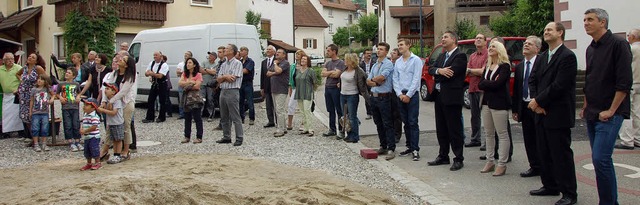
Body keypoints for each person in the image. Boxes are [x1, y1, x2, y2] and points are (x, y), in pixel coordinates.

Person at [582, 8, 632, 205]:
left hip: (610, 113)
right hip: (593, 112)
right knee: (599, 161)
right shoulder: (590, 48)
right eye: (584, 19)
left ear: (602, 22)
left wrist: (611, 110)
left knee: (601, 159)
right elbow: (590, 79)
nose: (585, 23)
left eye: (590, 19)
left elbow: (624, 82)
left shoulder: (619, 44)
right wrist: (586, 105)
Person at [527, 22, 578, 205]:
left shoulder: (568, 56)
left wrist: (539, 101)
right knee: (544, 151)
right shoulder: (541, 58)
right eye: (545, 29)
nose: (545, 32)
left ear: (560, 33)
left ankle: (569, 193)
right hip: (540, 113)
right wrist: (536, 103)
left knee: (561, 155)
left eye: (549, 29)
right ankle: (549, 185)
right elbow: (532, 80)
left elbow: (560, 85)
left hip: (558, 113)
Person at [427, 32, 468, 170]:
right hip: (439, 96)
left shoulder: (460, 56)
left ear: (454, 40)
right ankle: (443, 155)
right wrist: (439, 71)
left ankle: (458, 158)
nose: (442, 39)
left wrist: (439, 74)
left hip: (452, 97)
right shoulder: (442, 55)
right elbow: (431, 69)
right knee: (441, 128)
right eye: (442, 37)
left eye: (445, 37)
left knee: (454, 129)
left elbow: (453, 73)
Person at [477, 41, 511, 176]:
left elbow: (499, 84)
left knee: (502, 134)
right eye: (489, 46)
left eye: (493, 47)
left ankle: (502, 163)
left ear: (500, 50)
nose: (490, 48)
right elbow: (480, 84)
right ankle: (489, 160)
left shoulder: (505, 66)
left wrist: (487, 83)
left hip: (499, 103)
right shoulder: (488, 65)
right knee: (488, 133)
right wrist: (489, 83)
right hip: (486, 103)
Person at [512, 36, 542, 177]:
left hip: (538, 105)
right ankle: (534, 166)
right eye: (525, 44)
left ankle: (544, 166)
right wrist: (515, 109)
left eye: (529, 44)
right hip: (524, 105)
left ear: (537, 48)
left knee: (540, 138)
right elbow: (517, 89)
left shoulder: (542, 62)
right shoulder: (520, 66)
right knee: (528, 138)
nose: (526, 45)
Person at [100, 53, 137, 160]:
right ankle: (105, 150)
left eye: (123, 60)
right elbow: (106, 87)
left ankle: (126, 150)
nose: (120, 60)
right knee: (110, 126)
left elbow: (123, 92)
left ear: (126, 65)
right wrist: (104, 100)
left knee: (125, 127)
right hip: (114, 103)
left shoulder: (130, 77)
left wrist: (111, 100)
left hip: (126, 104)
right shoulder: (114, 74)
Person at [393, 39, 424, 161]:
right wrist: (400, 94)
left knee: (412, 122)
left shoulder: (416, 60)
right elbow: (395, 78)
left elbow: (416, 78)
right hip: (401, 94)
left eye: (401, 45)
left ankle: (415, 148)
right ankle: (409, 146)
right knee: (405, 122)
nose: (399, 47)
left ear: (408, 46)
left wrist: (408, 95)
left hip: (412, 94)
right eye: (398, 45)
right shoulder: (398, 62)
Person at [367, 42, 396, 160]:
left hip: (384, 97)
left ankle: (391, 148)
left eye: (381, 49)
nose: (378, 51)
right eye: (378, 49)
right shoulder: (375, 65)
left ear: (386, 52)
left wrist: (376, 80)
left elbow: (382, 78)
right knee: (378, 122)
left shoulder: (388, 64)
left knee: (387, 123)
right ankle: (383, 145)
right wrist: (376, 81)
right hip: (374, 96)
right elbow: (368, 81)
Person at [215, 44, 244, 146]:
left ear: (232, 51)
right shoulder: (223, 64)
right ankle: (226, 136)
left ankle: (239, 137)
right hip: (223, 90)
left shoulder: (237, 63)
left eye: (226, 49)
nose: (224, 50)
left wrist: (224, 77)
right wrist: (225, 76)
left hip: (233, 90)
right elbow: (218, 78)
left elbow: (233, 79)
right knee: (224, 115)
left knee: (235, 115)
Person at [617, 28, 640, 149]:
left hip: (632, 82)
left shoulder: (631, 49)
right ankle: (638, 137)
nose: (628, 37)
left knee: (627, 112)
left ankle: (627, 140)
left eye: (629, 35)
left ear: (634, 37)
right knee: (637, 111)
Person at [338, 53, 369, 143]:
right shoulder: (345, 69)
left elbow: (364, 80)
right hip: (342, 94)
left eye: (346, 59)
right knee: (345, 116)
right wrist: (340, 84)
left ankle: (355, 136)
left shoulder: (358, 71)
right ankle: (349, 134)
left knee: (352, 116)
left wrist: (365, 92)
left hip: (352, 95)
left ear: (351, 61)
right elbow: (342, 78)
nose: (344, 61)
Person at [464, 34, 488, 148]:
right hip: (472, 88)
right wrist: (473, 71)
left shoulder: (488, 54)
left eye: (480, 38)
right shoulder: (472, 56)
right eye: (476, 38)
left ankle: (487, 142)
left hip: (483, 89)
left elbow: (484, 72)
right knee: (474, 115)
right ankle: (475, 139)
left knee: (486, 116)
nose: (478, 40)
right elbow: (467, 72)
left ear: (485, 42)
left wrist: (470, 70)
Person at [18, 53, 46, 141]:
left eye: (33, 57)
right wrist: (21, 80)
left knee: (34, 115)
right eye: (29, 56)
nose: (30, 58)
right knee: (25, 116)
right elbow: (18, 74)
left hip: (34, 94)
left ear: (36, 61)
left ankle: (37, 138)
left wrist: (40, 86)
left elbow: (46, 78)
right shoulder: (24, 68)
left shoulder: (38, 68)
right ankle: (32, 137)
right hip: (24, 95)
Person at [321, 44, 345, 138]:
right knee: (330, 110)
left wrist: (329, 73)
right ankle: (332, 129)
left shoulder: (340, 63)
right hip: (328, 88)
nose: (327, 52)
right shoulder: (328, 63)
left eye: (328, 51)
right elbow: (323, 74)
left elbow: (337, 75)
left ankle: (341, 130)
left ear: (334, 51)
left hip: (336, 88)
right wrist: (331, 72)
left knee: (339, 110)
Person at [99, 83, 125, 164]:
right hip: (111, 123)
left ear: (114, 92)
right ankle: (115, 154)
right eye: (105, 88)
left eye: (108, 89)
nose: (105, 90)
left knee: (118, 139)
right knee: (114, 139)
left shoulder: (116, 100)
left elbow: (114, 112)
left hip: (117, 123)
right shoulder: (107, 100)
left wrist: (103, 110)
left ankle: (118, 155)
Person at [179, 58, 204, 144]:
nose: (188, 64)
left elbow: (197, 86)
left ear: (194, 65)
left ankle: (199, 137)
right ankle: (187, 136)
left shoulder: (198, 74)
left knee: (197, 118)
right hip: (186, 98)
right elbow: (180, 83)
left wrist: (187, 84)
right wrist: (191, 82)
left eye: (190, 63)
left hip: (195, 98)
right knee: (187, 118)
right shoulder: (184, 74)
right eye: (187, 63)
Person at [58, 68, 82, 151]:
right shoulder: (61, 84)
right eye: (66, 72)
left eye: (69, 73)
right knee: (67, 124)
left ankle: (77, 141)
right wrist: (60, 97)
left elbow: (79, 93)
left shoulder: (76, 84)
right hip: (66, 107)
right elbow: (56, 93)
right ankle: (70, 142)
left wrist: (78, 97)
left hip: (75, 107)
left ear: (74, 76)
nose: (67, 74)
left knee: (76, 124)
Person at [29, 74, 55, 152]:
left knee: (45, 128)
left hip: (45, 112)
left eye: (41, 79)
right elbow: (32, 101)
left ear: (45, 81)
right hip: (35, 112)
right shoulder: (34, 90)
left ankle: (44, 143)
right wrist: (30, 111)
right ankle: (36, 143)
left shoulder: (47, 89)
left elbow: (53, 94)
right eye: (38, 79)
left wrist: (52, 99)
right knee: (35, 128)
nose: (39, 81)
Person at [268, 49, 290, 137]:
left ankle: (280, 129)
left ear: (284, 55)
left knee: (279, 110)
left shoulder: (285, 63)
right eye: (276, 52)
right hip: (274, 89)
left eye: (279, 53)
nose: (277, 53)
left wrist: (275, 64)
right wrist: (274, 72)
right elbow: (268, 72)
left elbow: (278, 71)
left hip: (281, 89)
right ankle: (283, 128)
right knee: (278, 109)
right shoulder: (275, 63)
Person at [0, 53, 24, 135]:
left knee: (17, 114)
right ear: (4, 61)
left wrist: (19, 89)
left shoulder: (18, 68)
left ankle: (20, 131)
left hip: (16, 94)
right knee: (6, 114)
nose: (10, 60)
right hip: (6, 95)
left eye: (12, 59)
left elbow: (24, 80)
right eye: (8, 59)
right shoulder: (0, 69)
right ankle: (7, 131)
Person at [143, 51, 169, 123]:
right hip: (154, 83)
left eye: (156, 55)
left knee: (162, 101)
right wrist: (150, 74)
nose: (154, 57)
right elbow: (146, 73)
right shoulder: (152, 63)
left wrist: (152, 73)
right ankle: (150, 117)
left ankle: (161, 117)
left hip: (162, 84)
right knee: (150, 100)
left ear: (160, 56)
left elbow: (160, 76)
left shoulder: (164, 65)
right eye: (154, 55)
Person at [294, 55, 316, 136]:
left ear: (308, 61)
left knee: (307, 111)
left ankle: (311, 129)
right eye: (302, 59)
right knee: (302, 111)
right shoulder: (298, 70)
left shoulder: (311, 71)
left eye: (305, 59)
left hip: (307, 93)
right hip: (299, 93)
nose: (302, 60)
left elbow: (314, 82)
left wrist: (313, 93)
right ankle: (305, 128)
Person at [79, 98, 102, 170]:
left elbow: (94, 127)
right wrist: (81, 129)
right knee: (87, 150)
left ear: (93, 107)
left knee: (94, 149)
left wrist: (85, 131)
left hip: (94, 136)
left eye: (86, 105)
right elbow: (83, 123)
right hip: (87, 136)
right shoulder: (86, 114)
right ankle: (89, 163)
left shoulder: (94, 116)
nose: (84, 106)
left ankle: (98, 163)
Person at [288, 50, 306, 131]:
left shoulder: (306, 66)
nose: (296, 55)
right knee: (290, 105)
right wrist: (290, 88)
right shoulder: (293, 66)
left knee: (303, 106)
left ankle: (303, 123)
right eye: (296, 54)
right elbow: (291, 78)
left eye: (298, 54)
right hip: (295, 87)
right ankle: (289, 123)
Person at [261, 45, 277, 128]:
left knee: (276, 105)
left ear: (274, 52)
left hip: (275, 86)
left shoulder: (277, 61)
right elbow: (262, 76)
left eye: (270, 49)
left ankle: (278, 121)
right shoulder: (263, 62)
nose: (268, 51)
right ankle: (271, 121)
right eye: (267, 49)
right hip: (267, 87)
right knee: (268, 105)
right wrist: (262, 87)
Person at [239, 46, 255, 125]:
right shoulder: (240, 61)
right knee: (240, 101)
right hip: (240, 83)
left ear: (246, 52)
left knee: (250, 102)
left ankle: (251, 118)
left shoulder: (250, 61)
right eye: (240, 50)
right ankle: (241, 118)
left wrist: (237, 71)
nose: (241, 52)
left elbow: (245, 71)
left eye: (242, 50)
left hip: (248, 83)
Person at [200, 51, 219, 121]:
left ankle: (211, 114)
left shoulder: (216, 64)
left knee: (210, 99)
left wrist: (205, 70)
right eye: (209, 55)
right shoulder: (204, 62)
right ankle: (200, 114)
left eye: (211, 55)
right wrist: (209, 71)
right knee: (202, 99)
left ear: (214, 57)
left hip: (211, 85)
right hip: (203, 84)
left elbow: (215, 73)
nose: (209, 56)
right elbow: (200, 71)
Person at [389, 48, 403, 143]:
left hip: (396, 91)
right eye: (391, 53)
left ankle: (397, 134)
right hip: (389, 91)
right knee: (390, 113)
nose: (392, 54)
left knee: (397, 114)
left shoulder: (399, 65)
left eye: (394, 53)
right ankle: (391, 133)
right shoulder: (389, 64)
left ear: (398, 55)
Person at [175, 51, 193, 120]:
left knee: (189, 99)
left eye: (187, 55)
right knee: (181, 99)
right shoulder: (180, 64)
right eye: (185, 55)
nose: (186, 56)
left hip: (189, 84)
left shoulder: (192, 64)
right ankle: (181, 114)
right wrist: (184, 73)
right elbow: (178, 73)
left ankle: (189, 114)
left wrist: (182, 73)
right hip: (182, 84)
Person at [359, 48, 375, 120]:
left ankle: (374, 112)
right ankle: (369, 113)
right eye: (367, 53)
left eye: (370, 53)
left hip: (373, 82)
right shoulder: (361, 64)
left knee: (374, 97)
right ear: (364, 55)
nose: (369, 55)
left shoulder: (374, 63)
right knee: (367, 98)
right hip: (365, 83)